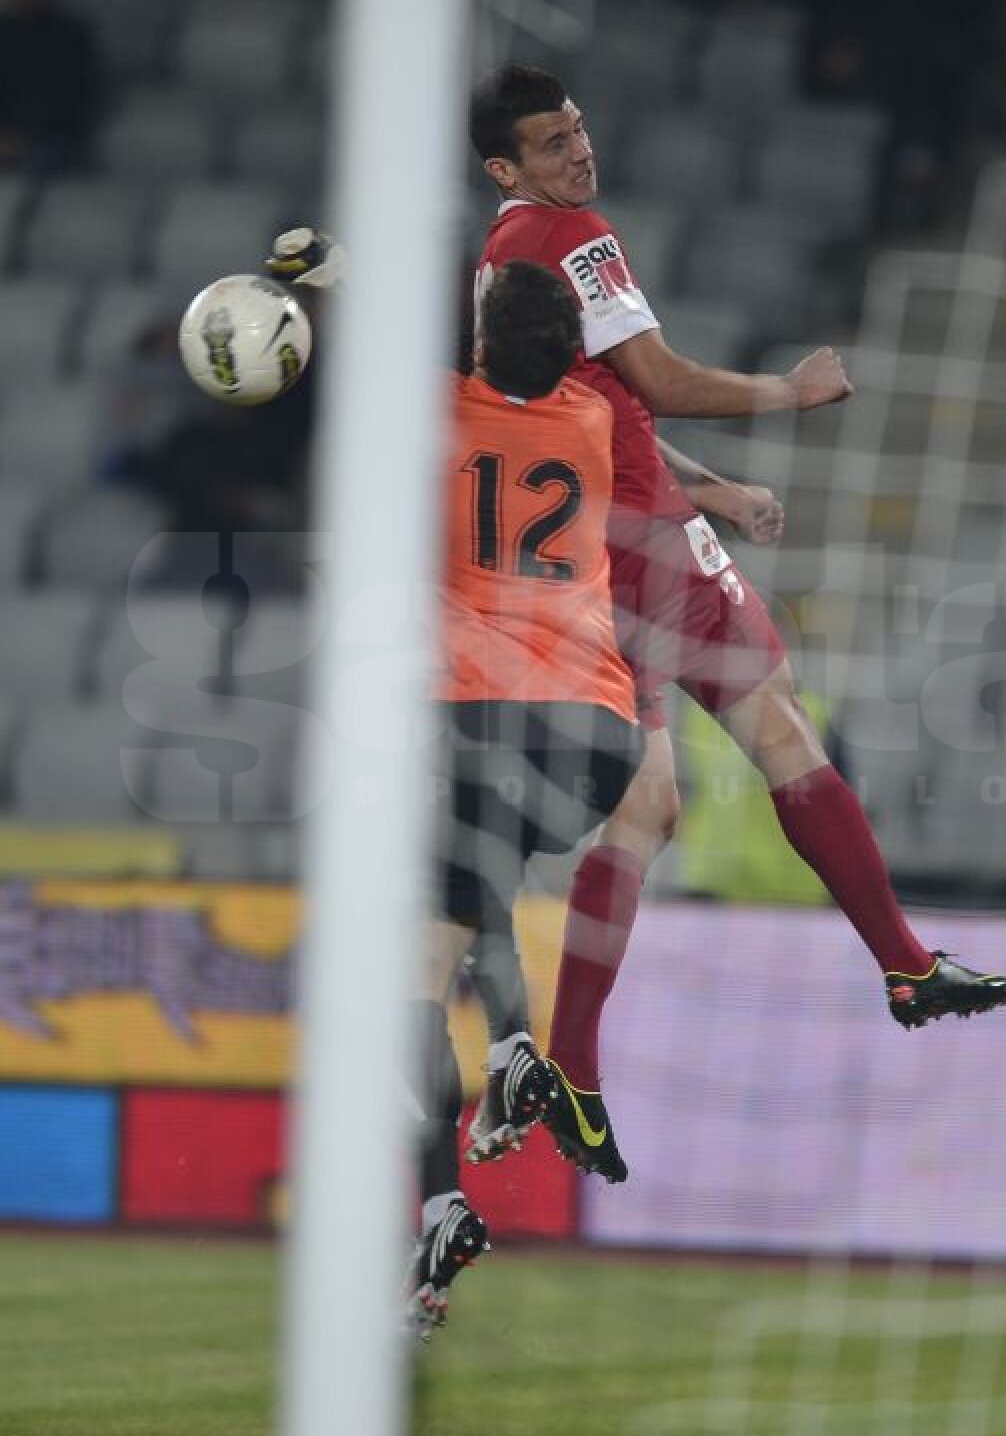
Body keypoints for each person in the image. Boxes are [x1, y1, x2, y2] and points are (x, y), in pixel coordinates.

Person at [456, 66, 1006, 1180]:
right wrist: (789, 394)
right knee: (783, 736)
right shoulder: (572, 233)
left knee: (645, 804)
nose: (579, 151)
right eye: (551, 142)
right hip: (652, 550)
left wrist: (710, 488)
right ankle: (903, 963)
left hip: (585, 558)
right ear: (505, 169)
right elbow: (654, 378)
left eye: (579, 129)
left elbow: (596, 409)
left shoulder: (496, 270)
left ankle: (573, 1068)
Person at [404, 260, 644, 1333]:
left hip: (485, 713)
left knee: (419, 966)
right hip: (599, 735)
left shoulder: (441, 412)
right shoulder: (591, 418)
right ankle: (455, 1178)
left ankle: (453, 1169)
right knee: (473, 880)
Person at [0, 0, 100, 174]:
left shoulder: (70, 34)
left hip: (53, 139)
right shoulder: (5, 31)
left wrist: (23, 139)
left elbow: (79, 98)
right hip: (8, 137)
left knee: (39, 162)